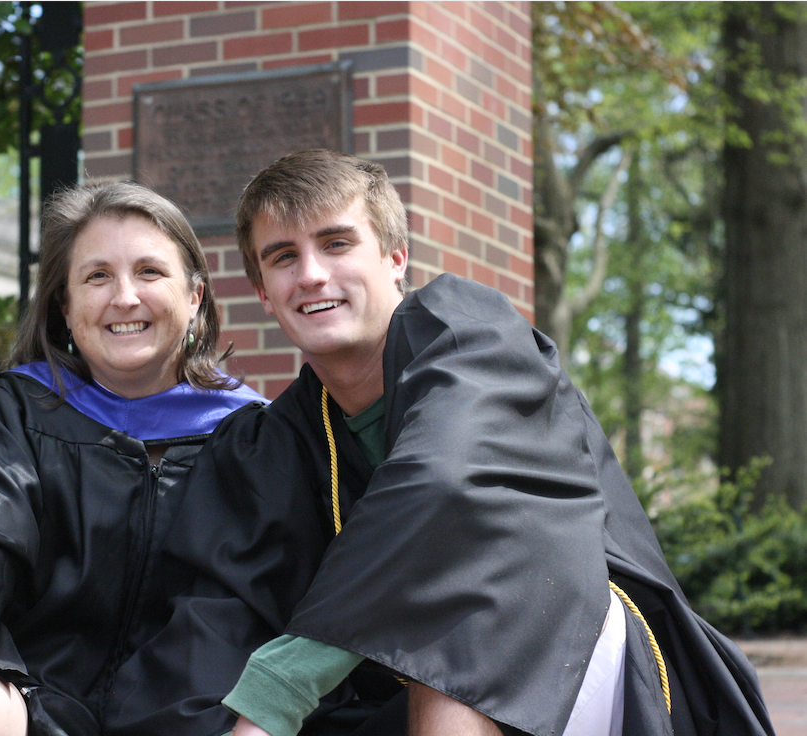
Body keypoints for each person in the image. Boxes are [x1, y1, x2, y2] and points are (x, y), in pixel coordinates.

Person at [206, 149, 774, 736]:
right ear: (263, 292)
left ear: (396, 258)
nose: (312, 274)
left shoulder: (468, 333)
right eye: (283, 257)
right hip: (427, 677)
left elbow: (442, 484)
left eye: (337, 244)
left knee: (451, 650)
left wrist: (276, 692)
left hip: (587, 639)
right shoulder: (289, 430)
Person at [0, 181, 274, 736]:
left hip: (195, 712)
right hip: (35, 696)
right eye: (97, 276)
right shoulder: (19, 413)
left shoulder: (252, 434)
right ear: (65, 306)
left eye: (150, 272)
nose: (125, 297)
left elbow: (270, 602)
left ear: (194, 297)